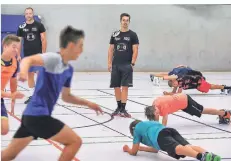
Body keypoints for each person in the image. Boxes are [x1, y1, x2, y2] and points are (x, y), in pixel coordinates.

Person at [1, 26, 103, 161]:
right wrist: (24, 72)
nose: (82, 50)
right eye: (80, 46)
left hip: (31, 117)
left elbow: (67, 97)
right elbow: (28, 60)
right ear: (71, 45)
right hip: (38, 116)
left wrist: (89, 103)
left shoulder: (68, 70)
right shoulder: (54, 58)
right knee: (75, 142)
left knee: (8, 155)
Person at [123, 120, 221, 161]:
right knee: (187, 147)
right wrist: (141, 148)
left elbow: (134, 152)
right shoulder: (148, 124)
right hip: (169, 130)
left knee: (177, 149)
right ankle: (209, 155)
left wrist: (128, 149)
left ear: (132, 129)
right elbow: (155, 150)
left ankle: (201, 156)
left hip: (160, 136)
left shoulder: (136, 129)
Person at [108, 13, 139, 117]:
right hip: (115, 65)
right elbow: (111, 49)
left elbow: (135, 50)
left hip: (126, 65)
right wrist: (109, 63)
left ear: (129, 22)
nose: (125, 22)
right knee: (116, 86)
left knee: (125, 87)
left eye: (127, 20)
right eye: (123, 20)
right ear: (120, 21)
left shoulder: (133, 35)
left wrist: (133, 63)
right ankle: (118, 107)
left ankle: (123, 109)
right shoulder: (115, 34)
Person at [17, 7, 47, 104]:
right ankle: (33, 96)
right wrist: (18, 54)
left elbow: (43, 40)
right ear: (24, 15)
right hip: (27, 56)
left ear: (32, 14)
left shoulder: (39, 25)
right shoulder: (21, 27)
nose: (28, 15)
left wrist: (44, 53)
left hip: (38, 55)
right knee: (30, 76)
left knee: (39, 75)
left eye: (30, 13)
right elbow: (19, 42)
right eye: (27, 13)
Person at [144, 93, 230, 126]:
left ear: (155, 109)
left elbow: (164, 121)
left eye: (157, 113)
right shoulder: (154, 105)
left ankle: (224, 113)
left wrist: (159, 131)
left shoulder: (163, 105)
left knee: (203, 111)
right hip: (181, 103)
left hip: (186, 101)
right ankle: (222, 112)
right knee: (203, 110)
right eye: (156, 115)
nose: (158, 115)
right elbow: (156, 118)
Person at [1, 35, 25, 135]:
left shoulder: (15, 62)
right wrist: (10, 95)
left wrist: (13, 99)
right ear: (5, 46)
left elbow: (13, 81)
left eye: (18, 48)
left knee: (4, 129)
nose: (16, 50)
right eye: (14, 47)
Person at [157, 73, 231, 95]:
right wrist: (168, 93)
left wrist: (168, 94)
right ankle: (224, 87)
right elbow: (174, 92)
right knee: (212, 87)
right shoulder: (178, 84)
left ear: (174, 80)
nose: (175, 86)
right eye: (174, 86)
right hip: (197, 86)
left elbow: (178, 94)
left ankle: (226, 87)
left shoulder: (181, 80)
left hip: (199, 82)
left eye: (174, 84)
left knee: (212, 86)